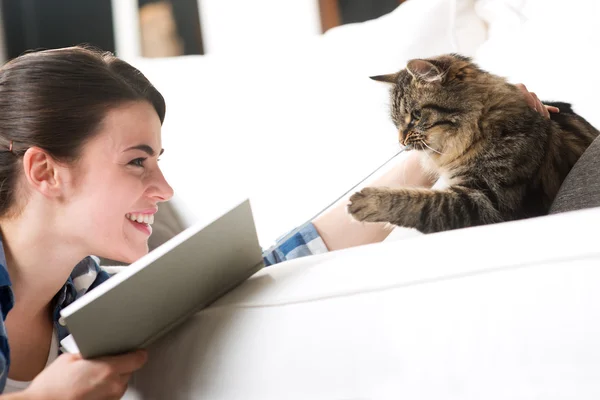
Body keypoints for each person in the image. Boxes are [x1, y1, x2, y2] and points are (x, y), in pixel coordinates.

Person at [0, 45, 565, 399]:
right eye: (136, 161)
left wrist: (439, 149)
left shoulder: (88, 295)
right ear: (46, 172)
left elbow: (269, 269)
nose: (164, 189)